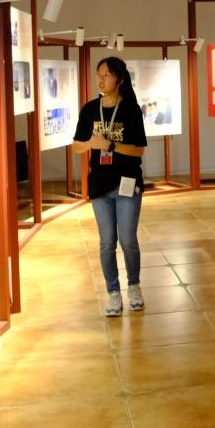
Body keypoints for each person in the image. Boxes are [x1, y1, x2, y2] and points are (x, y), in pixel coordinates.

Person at [71, 57, 148, 317]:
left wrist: (110, 145)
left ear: (120, 80)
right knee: (106, 243)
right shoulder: (89, 109)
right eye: (98, 74)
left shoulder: (131, 110)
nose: (101, 79)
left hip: (127, 184)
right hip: (100, 187)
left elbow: (138, 150)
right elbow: (76, 145)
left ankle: (134, 286)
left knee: (128, 241)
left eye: (107, 75)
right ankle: (113, 292)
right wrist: (91, 145)